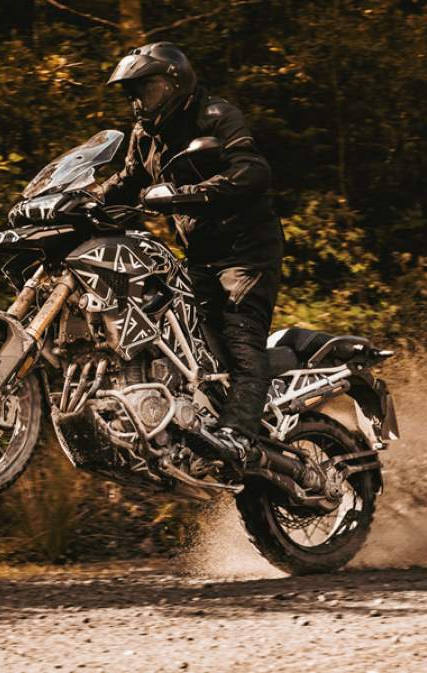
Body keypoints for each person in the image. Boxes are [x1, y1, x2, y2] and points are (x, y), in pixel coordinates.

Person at [97, 42, 284, 458]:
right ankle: (192, 423)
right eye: (132, 94)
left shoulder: (215, 115)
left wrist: (188, 194)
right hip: (199, 254)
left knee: (239, 336)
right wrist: (86, 201)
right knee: (186, 341)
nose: (139, 102)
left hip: (247, 250)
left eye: (146, 90)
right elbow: (127, 181)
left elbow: (252, 171)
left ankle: (239, 436)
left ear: (174, 82)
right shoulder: (145, 135)